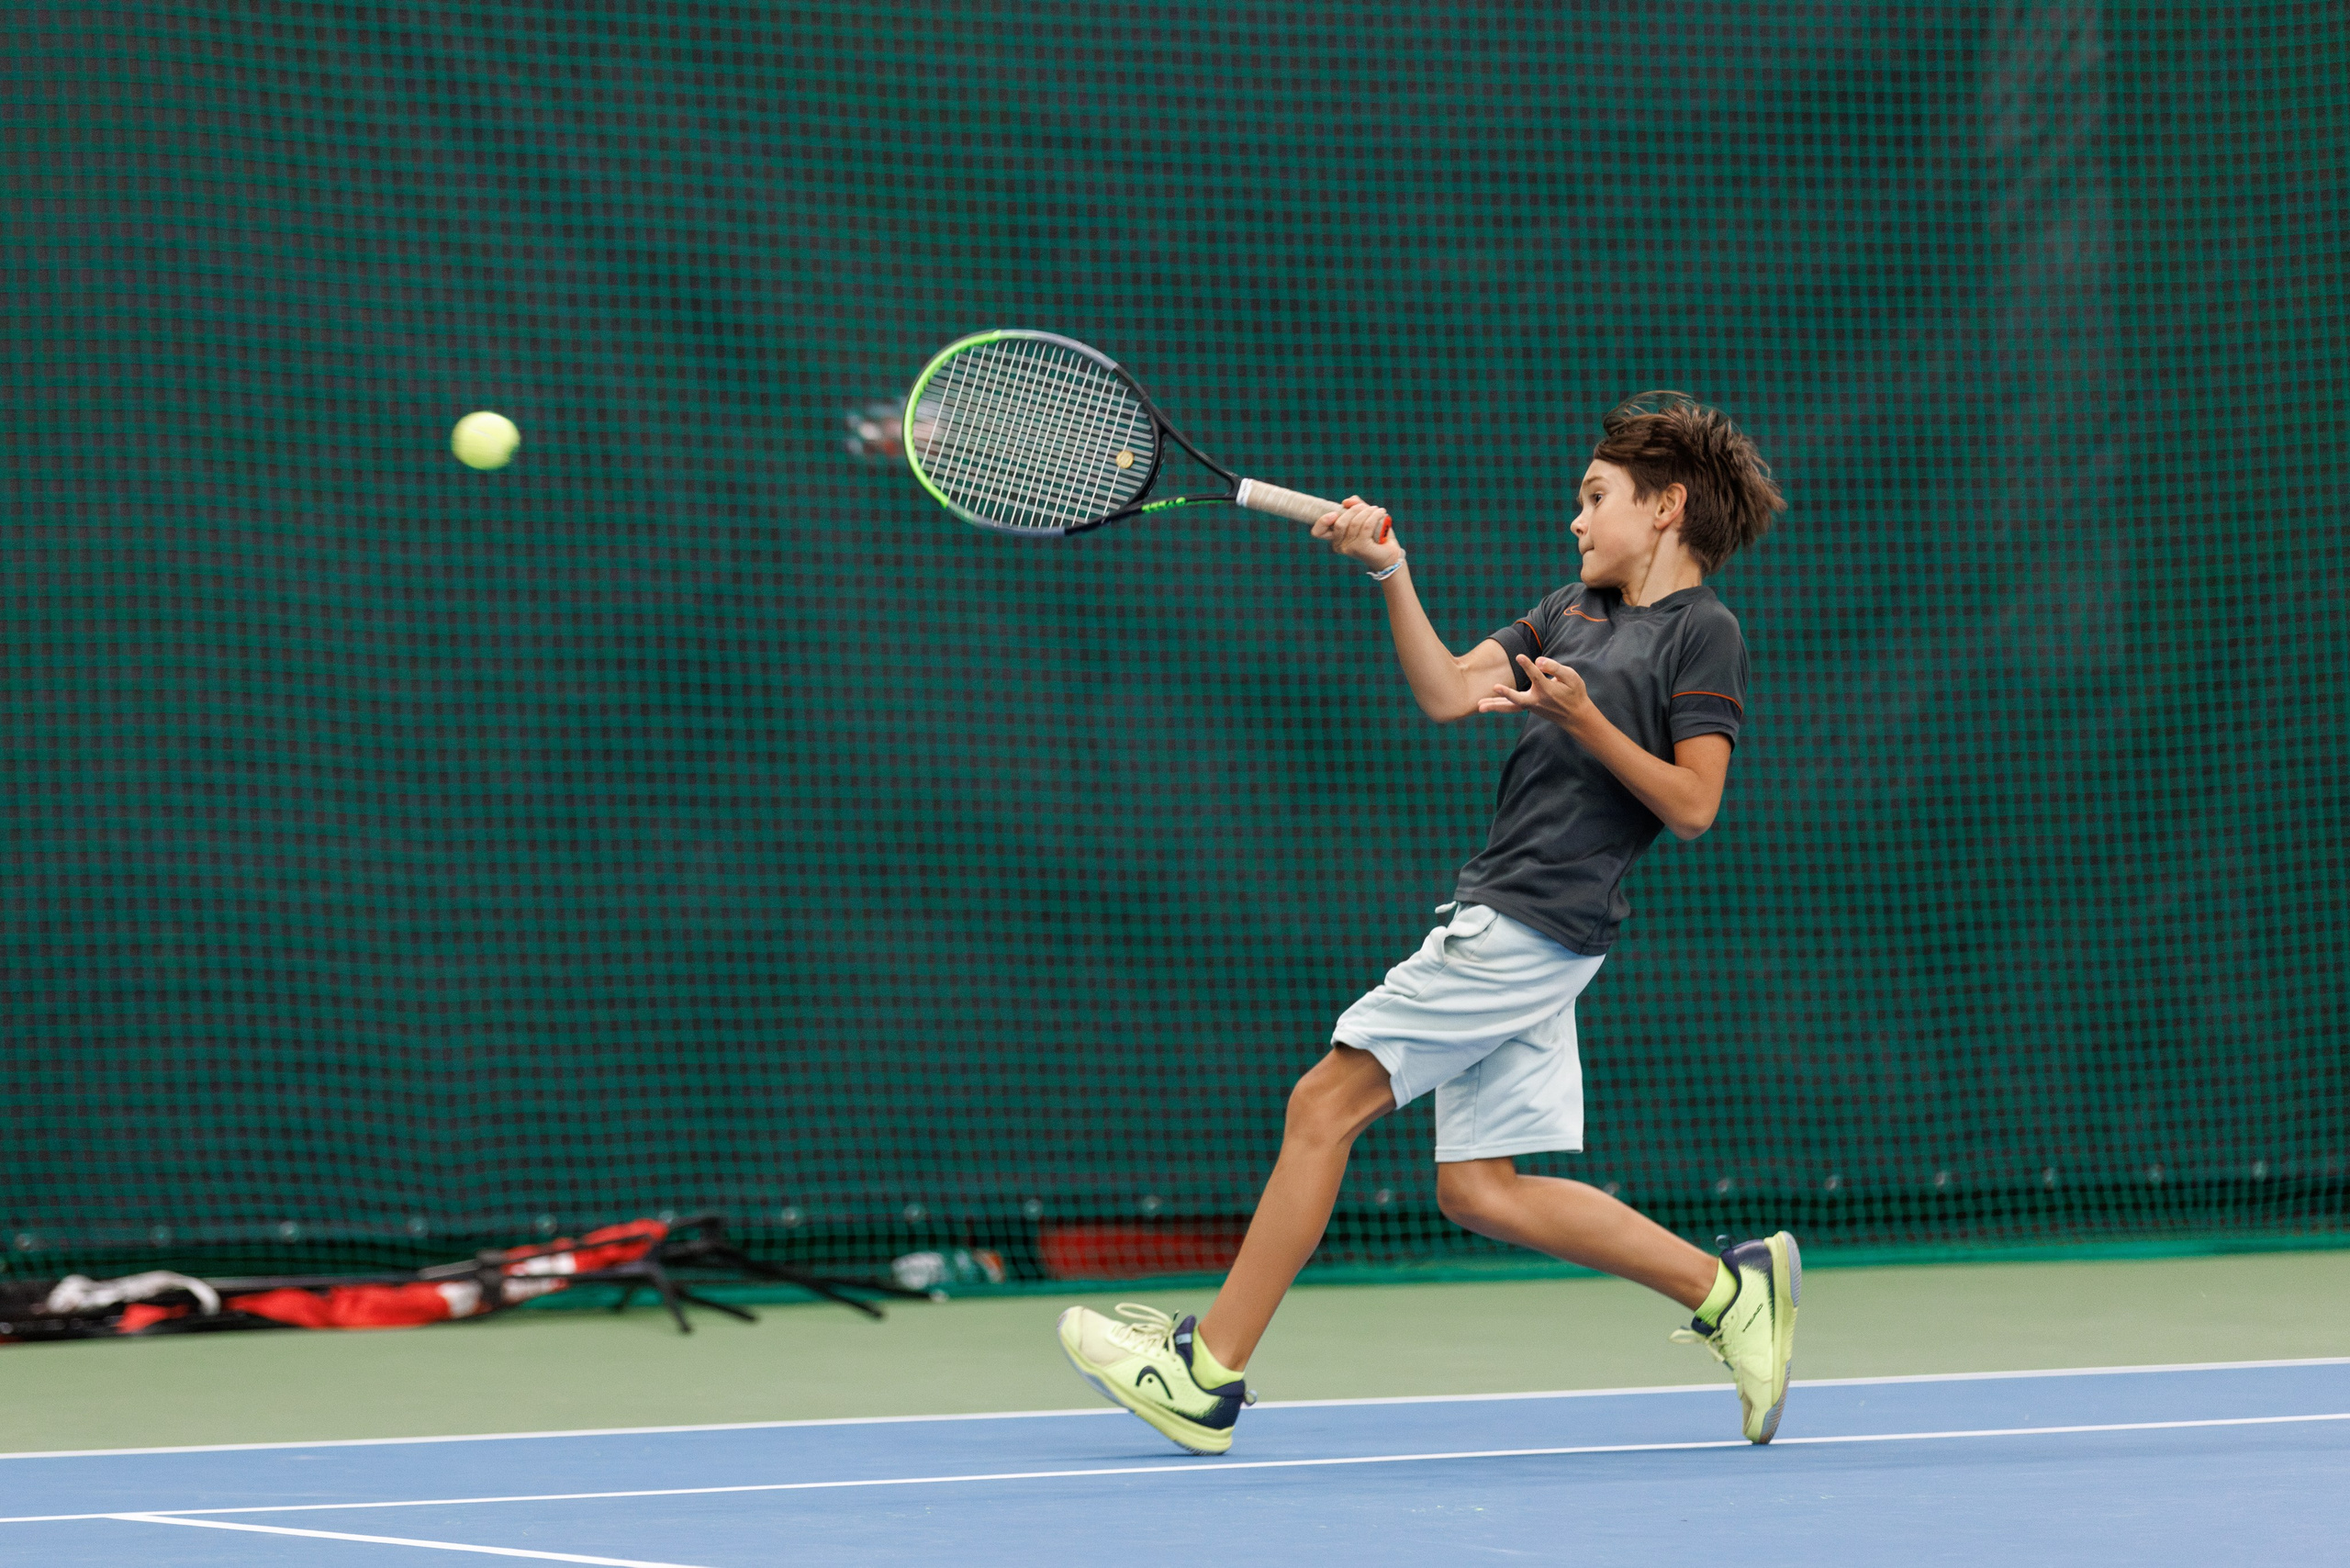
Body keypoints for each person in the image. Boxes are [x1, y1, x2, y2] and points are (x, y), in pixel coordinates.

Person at [1057, 391, 1796, 1455]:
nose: (1576, 518)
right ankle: (1731, 1292)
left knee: (1322, 1104)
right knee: (1479, 1191)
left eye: (1595, 497)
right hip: (1524, 918)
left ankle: (1204, 1372)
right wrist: (1388, 569)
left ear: (1665, 507)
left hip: (1531, 923)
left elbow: (1693, 806)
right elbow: (1450, 692)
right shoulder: (1570, 609)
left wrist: (1585, 720)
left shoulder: (1703, 632)